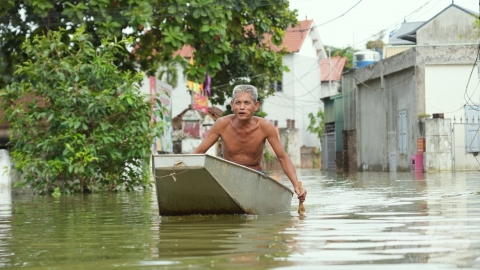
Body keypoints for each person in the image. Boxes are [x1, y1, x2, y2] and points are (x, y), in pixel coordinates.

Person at [192, 84, 307, 202]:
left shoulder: (265, 127)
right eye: (238, 103)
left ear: (256, 106)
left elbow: (282, 158)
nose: (242, 107)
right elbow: (199, 152)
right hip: (228, 176)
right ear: (232, 105)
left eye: (247, 103)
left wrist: (297, 186)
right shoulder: (222, 124)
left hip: (255, 175)